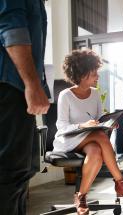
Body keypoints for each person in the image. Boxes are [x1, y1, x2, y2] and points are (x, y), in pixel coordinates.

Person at [53, 49, 123, 215]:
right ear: (82, 74)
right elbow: (62, 126)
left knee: (95, 152)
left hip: (90, 139)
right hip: (68, 140)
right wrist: (83, 125)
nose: (98, 76)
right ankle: (121, 181)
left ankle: (81, 197)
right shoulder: (66, 95)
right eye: (94, 73)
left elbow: (98, 118)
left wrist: (109, 123)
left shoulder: (95, 93)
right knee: (100, 137)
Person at [0, 1, 50, 214]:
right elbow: (11, 28)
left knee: (19, 173)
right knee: (10, 174)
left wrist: (39, 85)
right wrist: (31, 84)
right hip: (10, 86)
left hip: (16, 87)